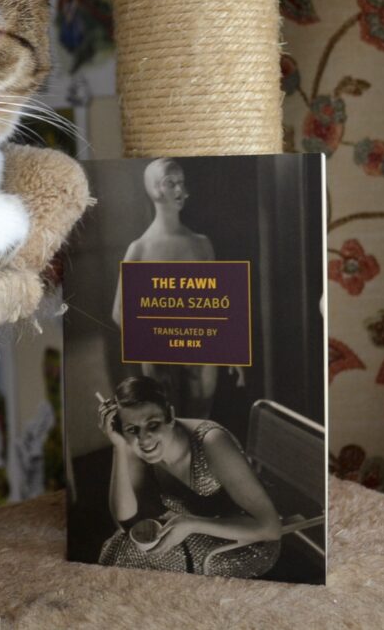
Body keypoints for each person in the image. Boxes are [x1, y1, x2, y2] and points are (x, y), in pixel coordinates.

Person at [95, 375, 281, 578]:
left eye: (153, 424)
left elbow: (270, 528)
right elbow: (126, 523)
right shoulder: (134, 443)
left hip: (245, 545)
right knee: (119, 547)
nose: (144, 438)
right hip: (191, 530)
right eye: (132, 429)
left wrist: (191, 524)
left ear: (171, 416)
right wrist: (119, 447)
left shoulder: (212, 442)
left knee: (126, 556)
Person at [111, 158, 227, 417]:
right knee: (168, 421)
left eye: (181, 183)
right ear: (154, 189)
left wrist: (232, 350)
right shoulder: (139, 249)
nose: (180, 191)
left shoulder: (201, 244)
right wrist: (156, 351)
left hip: (201, 352)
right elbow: (120, 313)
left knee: (200, 422)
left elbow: (220, 305)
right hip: (160, 359)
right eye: (170, 183)